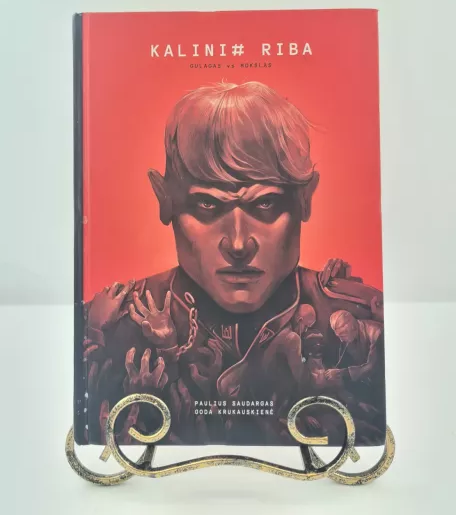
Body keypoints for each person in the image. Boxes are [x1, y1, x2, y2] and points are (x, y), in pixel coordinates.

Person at [79, 82, 385, 446]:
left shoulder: (365, 318)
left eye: (266, 203)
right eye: (208, 205)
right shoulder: (109, 324)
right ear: (165, 199)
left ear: (305, 199)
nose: (238, 244)